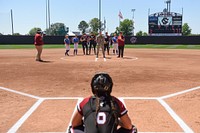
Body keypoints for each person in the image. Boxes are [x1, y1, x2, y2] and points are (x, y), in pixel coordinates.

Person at [69, 72, 137, 133]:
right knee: (132, 129)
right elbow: (128, 126)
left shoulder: (85, 102)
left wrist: (87, 122)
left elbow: (74, 123)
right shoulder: (116, 102)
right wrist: (118, 122)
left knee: (72, 129)